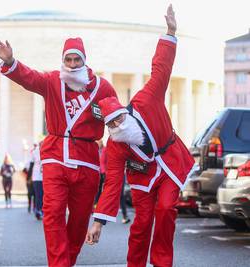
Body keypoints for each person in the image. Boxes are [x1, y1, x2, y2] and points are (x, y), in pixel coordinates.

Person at [0, 32, 117, 266]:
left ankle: (66, 262)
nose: (71, 65)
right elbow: (28, 77)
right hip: (55, 156)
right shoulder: (52, 81)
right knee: (52, 213)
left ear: (84, 60)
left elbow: (117, 119)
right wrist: (10, 62)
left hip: (87, 160)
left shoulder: (103, 88)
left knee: (80, 221)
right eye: (67, 60)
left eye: (76, 60)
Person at [86, 6, 194, 267]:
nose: (118, 125)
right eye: (111, 124)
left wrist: (170, 32)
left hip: (170, 161)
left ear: (125, 112)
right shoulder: (115, 145)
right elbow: (112, 184)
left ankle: (162, 263)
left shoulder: (146, 100)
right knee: (142, 222)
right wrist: (98, 221)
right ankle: (135, 264)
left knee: (166, 208)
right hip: (142, 177)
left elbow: (161, 69)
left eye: (119, 118)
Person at [29, 141, 43, 220]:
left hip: (46, 177)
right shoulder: (34, 152)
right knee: (38, 195)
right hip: (37, 177)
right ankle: (38, 210)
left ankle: (42, 210)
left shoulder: (48, 150)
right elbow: (31, 165)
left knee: (45, 195)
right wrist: (29, 177)